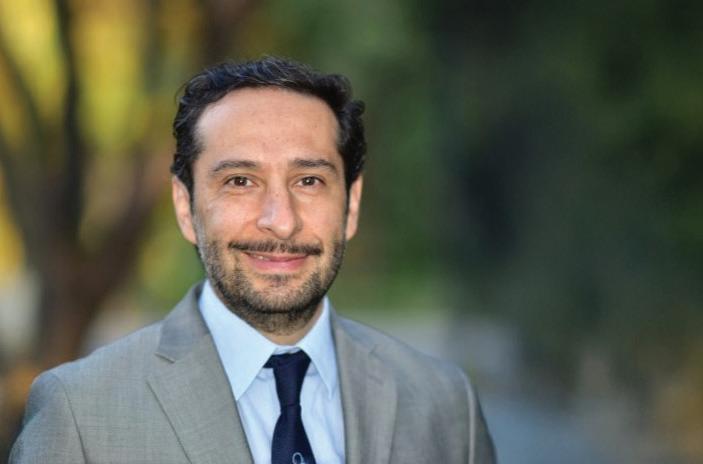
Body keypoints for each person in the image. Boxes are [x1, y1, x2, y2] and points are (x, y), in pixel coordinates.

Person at [10, 56, 495, 463]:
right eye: (240, 181)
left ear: (351, 205)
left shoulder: (445, 403)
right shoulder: (79, 412)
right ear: (185, 207)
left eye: (309, 181)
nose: (280, 221)